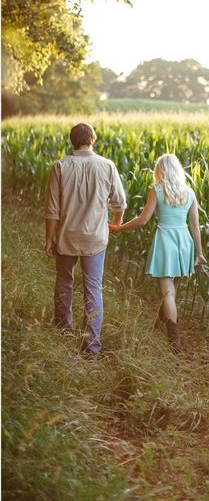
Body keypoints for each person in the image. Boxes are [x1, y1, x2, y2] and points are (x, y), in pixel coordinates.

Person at [44, 123, 127, 357]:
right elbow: (120, 203)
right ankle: (91, 347)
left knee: (64, 282)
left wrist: (49, 239)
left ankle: (63, 332)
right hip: (95, 238)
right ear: (93, 139)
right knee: (93, 288)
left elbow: (52, 210)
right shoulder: (107, 166)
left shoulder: (60, 167)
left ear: (72, 141)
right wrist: (116, 222)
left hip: (66, 236)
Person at [108, 153, 205, 351]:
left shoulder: (157, 190)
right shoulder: (189, 193)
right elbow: (195, 226)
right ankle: (158, 327)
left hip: (166, 242)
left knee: (168, 294)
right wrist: (199, 252)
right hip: (184, 242)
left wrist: (120, 227)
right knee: (171, 292)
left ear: (160, 170)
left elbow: (143, 220)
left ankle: (174, 342)